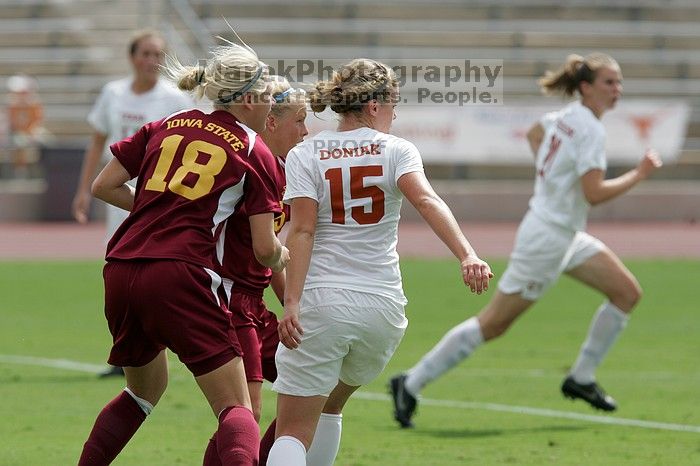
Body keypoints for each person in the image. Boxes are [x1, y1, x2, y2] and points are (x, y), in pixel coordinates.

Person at [389, 52, 663, 428]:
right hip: (547, 239)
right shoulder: (590, 129)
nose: (618, 89)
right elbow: (594, 193)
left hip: (564, 232)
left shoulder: (566, 117)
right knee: (493, 324)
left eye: (619, 82)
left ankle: (581, 377)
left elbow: (536, 133)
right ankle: (410, 382)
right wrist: (641, 173)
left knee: (627, 293)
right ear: (585, 87)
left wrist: (551, 180)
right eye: (609, 82)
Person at [265, 59, 492, 466]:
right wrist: (467, 254)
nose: (395, 112)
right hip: (383, 309)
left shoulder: (305, 153)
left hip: (325, 301)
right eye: (393, 102)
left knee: (292, 432)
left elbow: (301, 232)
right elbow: (426, 200)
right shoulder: (397, 150)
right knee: (331, 407)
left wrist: (292, 303)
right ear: (373, 105)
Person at [77, 39, 289, 466]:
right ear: (247, 99)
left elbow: (103, 186)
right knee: (238, 408)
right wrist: (287, 256)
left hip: (120, 266)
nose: (271, 103)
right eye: (266, 94)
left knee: (141, 393)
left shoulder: (169, 122)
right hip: (180, 273)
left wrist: (163, 208)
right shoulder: (253, 147)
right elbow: (266, 251)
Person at [70, 30, 192, 378]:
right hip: (118, 196)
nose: (152, 60)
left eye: (158, 54)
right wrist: (83, 190)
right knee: (120, 271)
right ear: (132, 57)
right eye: (146, 53)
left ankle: (157, 352)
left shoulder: (174, 98)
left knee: (154, 271)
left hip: (160, 200)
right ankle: (127, 353)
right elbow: (97, 143)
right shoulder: (113, 93)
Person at [209, 76, 307, 464]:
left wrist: (289, 304)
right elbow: (267, 249)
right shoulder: (252, 166)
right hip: (229, 297)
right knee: (246, 412)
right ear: (271, 122)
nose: (306, 130)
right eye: (299, 120)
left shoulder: (281, 169)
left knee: (307, 390)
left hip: (252, 302)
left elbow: (273, 252)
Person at [5, 74, 47, 177]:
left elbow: (38, 122)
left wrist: (32, 132)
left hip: (31, 133)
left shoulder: (34, 105)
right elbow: (11, 124)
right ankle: (20, 170)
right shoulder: (12, 106)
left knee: (46, 140)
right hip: (17, 134)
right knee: (19, 142)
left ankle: (45, 169)